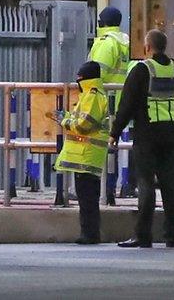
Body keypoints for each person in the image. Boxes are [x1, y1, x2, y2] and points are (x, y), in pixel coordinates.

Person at [111, 29, 174, 248]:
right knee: (170, 185)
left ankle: (142, 235)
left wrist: (115, 133)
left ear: (148, 47)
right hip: (170, 138)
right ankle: (172, 234)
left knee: (145, 184)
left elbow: (126, 105)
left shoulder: (141, 70)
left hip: (146, 138)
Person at [53, 61, 109, 244]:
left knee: (87, 199)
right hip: (86, 155)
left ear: (85, 79)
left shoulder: (92, 96)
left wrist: (64, 122)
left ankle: (90, 234)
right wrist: (67, 116)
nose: (77, 81)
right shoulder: (89, 95)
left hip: (88, 155)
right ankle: (89, 232)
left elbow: (84, 126)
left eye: (79, 78)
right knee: (86, 197)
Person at [88, 6, 130, 201]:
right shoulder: (126, 41)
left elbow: (96, 73)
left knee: (102, 146)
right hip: (121, 100)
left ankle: (106, 190)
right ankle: (115, 187)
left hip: (105, 100)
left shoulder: (106, 43)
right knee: (115, 147)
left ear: (102, 22)